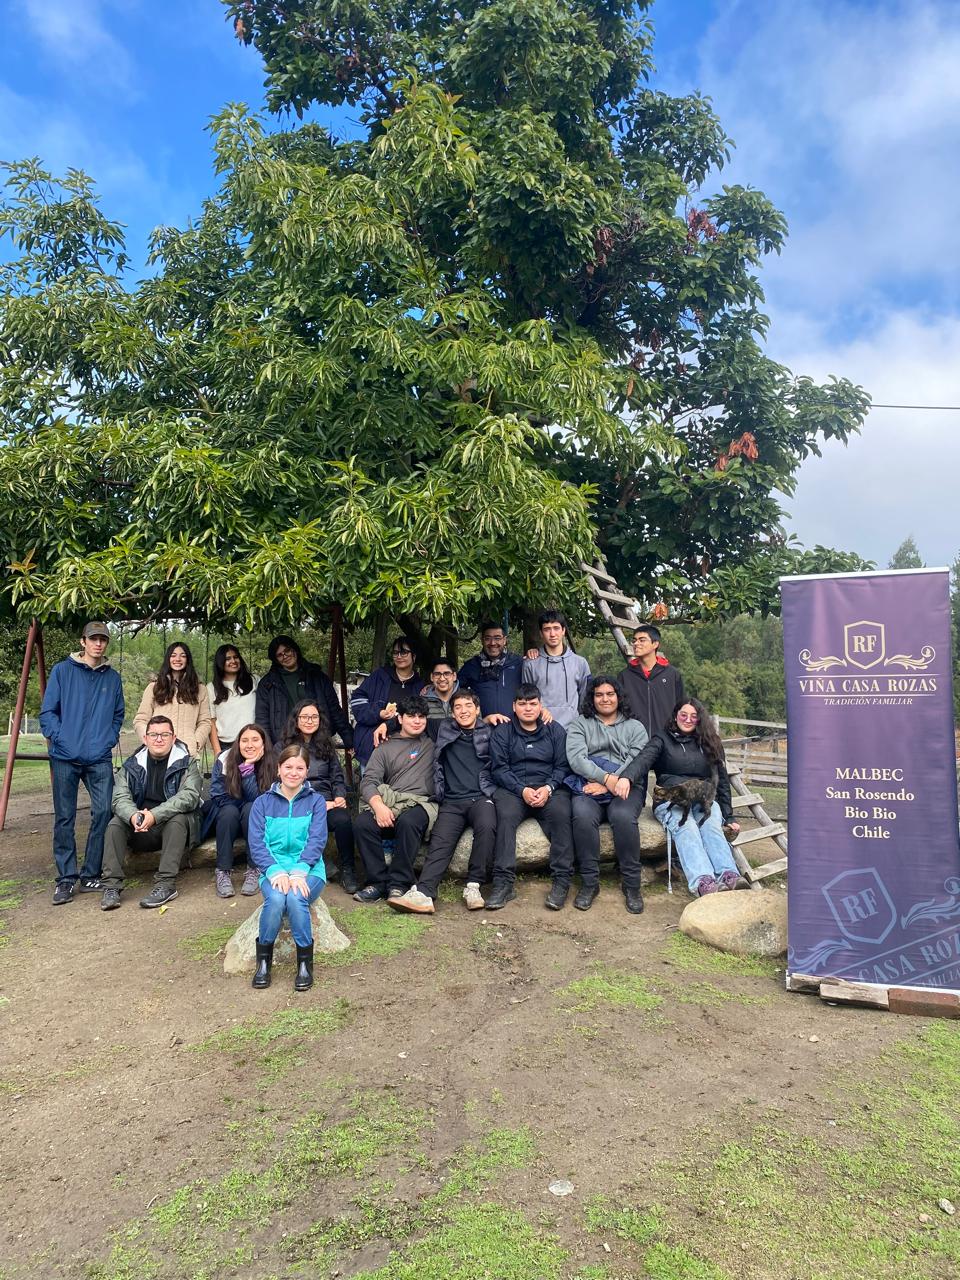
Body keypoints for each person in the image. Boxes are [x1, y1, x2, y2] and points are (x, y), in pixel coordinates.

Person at [621, 698, 746, 897]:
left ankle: (729, 875)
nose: (688, 719)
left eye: (693, 716)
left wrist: (729, 815)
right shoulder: (662, 739)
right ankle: (703, 881)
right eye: (683, 715)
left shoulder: (710, 742)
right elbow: (643, 760)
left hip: (703, 799)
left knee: (711, 826)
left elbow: (721, 779)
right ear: (676, 716)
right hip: (672, 800)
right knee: (687, 827)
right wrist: (627, 777)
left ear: (700, 719)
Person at [389, 688, 496, 914]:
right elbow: (413, 720)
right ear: (452, 712)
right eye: (458, 707)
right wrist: (385, 725)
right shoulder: (443, 728)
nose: (463, 711)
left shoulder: (490, 733)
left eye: (468, 706)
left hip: (480, 797)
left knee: (487, 826)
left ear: (478, 709)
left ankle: (473, 886)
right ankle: (424, 893)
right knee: (440, 841)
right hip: (451, 801)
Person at [40, 621, 125, 905]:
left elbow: (118, 714)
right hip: (65, 756)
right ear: (83, 642)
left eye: (103, 639)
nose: (98, 644)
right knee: (65, 817)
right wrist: (59, 738)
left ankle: (90, 873)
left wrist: (108, 739)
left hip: (99, 757)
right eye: (93, 639)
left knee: (103, 811)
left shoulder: (112, 678)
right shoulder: (62, 671)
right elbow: (48, 712)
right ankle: (66, 879)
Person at [247, 744, 329, 992]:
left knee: (295, 897)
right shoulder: (262, 803)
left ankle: (304, 964)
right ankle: (264, 963)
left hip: (309, 870)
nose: (293, 772)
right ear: (279, 769)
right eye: (288, 767)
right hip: (274, 869)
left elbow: (317, 840)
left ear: (307, 772)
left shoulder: (316, 801)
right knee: (275, 899)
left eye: (300, 768)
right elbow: (257, 843)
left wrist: (299, 871)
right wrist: (275, 871)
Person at [100, 715, 203, 910]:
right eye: (154, 735)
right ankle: (111, 887)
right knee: (115, 824)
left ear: (173, 738)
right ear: (145, 738)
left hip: (170, 828)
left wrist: (154, 815)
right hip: (139, 825)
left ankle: (165, 884)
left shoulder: (188, 763)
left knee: (178, 819)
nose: (159, 739)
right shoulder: (131, 765)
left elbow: (189, 796)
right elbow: (119, 797)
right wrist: (134, 816)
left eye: (165, 734)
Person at [565, 677, 650, 913]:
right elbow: (577, 759)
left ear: (618, 696)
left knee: (623, 817)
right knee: (581, 815)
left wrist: (612, 782)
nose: (605, 699)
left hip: (627, 785)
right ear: (592, 698)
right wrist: (605, 779)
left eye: (610, 694)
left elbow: (638, 760)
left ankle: (631, 884)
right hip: (589, 783)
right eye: (599, 694)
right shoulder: (580, 724)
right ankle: (590, 883)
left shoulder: (635, 727)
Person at [487, 683, 574, 911]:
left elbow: (563, 766)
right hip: (513, 790)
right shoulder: (503, 732)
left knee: (562, 814)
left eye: (533, 704)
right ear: (514, 706)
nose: (528, 708)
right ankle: (503, 883)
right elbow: (499, 769)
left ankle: (561, 880)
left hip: (549, 789)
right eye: (522, 704)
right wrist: (521, 790)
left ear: (540, 706)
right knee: (504, 816)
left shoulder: (555, 730)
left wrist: (549, 787)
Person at [353, 696, 437, 903]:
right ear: (400, 718)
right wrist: (378, 806)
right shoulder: (385, 747)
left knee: (409, 822)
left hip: (421, 802)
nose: (417, 721)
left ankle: (399, 884)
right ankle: (377, 883)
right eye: (411, 716)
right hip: (391, 802)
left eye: (421, 717)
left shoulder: (433, 742)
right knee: (363, 823)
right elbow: (368, 780)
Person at [280, 699, 358, 894]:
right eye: (305, 717)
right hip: (297, 801)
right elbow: (282, 780)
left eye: (314, 717)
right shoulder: (284, 746)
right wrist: (316, 803)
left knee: (342, 820)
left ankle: (348, 869)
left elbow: (337, 776)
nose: (309, 721)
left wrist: (339, 796)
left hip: (328, 801)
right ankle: (319, 861)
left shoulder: (326, 745)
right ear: (296, 719)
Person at [199, 723, 275, 898]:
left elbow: (262, 801)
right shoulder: (225, 758)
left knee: (251, 809)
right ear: (238, 743)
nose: (249, 745)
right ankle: (222, 871)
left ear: (263, 743)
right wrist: (240, 803)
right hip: (228, 818)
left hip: (256, 820)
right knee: (229, 811)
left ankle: (254, 868)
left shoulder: (272, 761)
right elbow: (218, 795)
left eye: (255, 740)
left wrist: (248, 769)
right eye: (244, 740)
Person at [255, 634, 354, 754]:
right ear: (275, 659)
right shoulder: (267, 683)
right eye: (280, 655)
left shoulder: (317, 676)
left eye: (287, 651)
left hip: (318, 740)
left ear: (295, 649)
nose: (285, 656)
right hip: (284, 743)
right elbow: (262, 719)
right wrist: (267, 748)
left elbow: (335, 710)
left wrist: (350, 739)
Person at [350, 637, 426, 766]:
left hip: (404, 752)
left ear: (414, 656)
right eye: (395, 653)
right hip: (372, 748)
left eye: (404, 652)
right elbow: (357, 701)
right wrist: (378, 713)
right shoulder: (380, 676)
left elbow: (420, 717)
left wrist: (392, 722)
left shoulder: (419, 686)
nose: (399, 656)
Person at [133, 642, 212, 758]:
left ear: (188, 660)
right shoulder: (154, 687)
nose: (178, 659)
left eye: (183, 656)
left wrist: (195, 742)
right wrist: (151, 740)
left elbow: (205, 722)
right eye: (173, 655)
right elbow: (140, 719)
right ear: (168, 659)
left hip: (188, 753)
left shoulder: (199, 689)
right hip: (157, 753)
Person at [522, 610, 590, 727]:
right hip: (541, 728)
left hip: (573, 729)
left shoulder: (580, 663)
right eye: (547, 629)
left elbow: (585, 698)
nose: (552, 634)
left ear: (563, 631)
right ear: (541, 633)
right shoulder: (530, 664)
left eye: (556, 628)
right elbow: (526, 698)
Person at [616, 624, 685, 738]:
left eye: (642, 640)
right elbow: (619, 710)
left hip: (667, 739)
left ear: (655, 644)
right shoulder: (624, 676)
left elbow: (681, 707)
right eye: (634, 640)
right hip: (634, 740)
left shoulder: (672, 674)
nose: (636, 644)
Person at [457, 622, 524, 723]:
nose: (492, 643)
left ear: (504, 640)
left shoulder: (518, 663)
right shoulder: (471, 666)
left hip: (514, 726)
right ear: (482, 640)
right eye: (488, 638)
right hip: (483, 726)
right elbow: (454, 690)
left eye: (497, 638)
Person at [206, 644, 259, 755]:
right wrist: (217, 752)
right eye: (228, 659)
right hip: (226, 745)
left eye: (236, 657)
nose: (233, 661)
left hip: (253, 742)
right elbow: (212, 722)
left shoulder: (254, 680)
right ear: (220, 662)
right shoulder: (211, 688)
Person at [423, 660, 459, 736]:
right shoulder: (422, 702)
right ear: (432, 677)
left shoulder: (467, 699)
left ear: (454, 676)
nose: (442, 678)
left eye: (447, 673)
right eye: (437, 674)